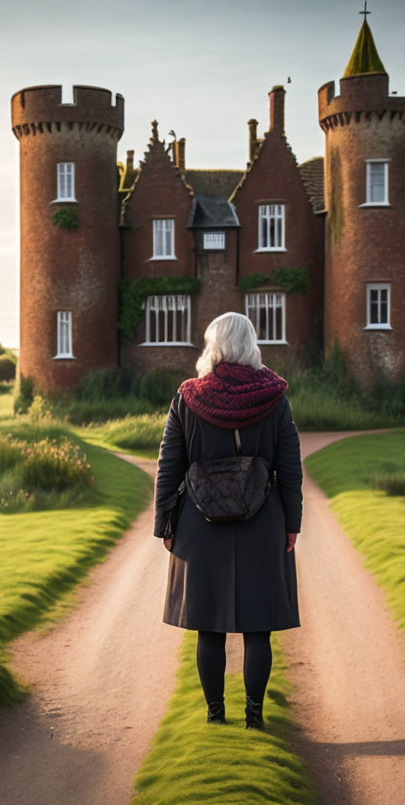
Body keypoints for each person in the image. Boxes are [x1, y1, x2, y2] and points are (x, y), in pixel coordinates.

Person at [153, 311, 303, 729]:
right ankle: (254, 717)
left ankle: (215, 717)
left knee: (209, 627)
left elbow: (169, 465)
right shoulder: (274, 396)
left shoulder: (188, 396)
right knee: (259, 628)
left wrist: (165, 523)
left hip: (202, 525)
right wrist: (292, 523)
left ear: (213, 345)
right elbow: (290, 468)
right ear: (250, 344)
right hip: (263, 523)